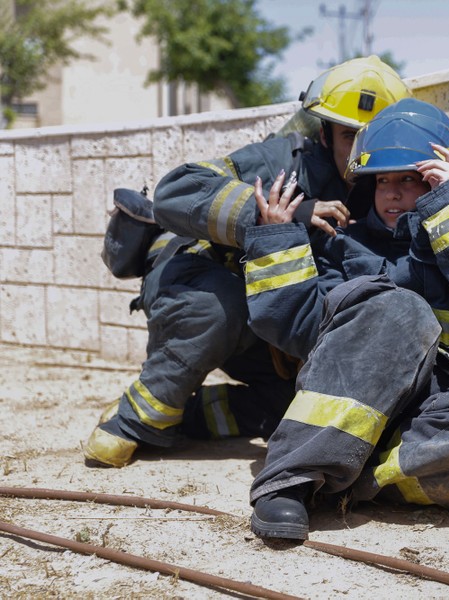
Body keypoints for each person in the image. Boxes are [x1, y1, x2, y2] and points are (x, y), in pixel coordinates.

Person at [239, 98, 449, 540]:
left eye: (410, 179)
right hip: (355, 389)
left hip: (447, 402)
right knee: (401, 308)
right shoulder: (345, 243)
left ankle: (354, 478)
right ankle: (291, 480)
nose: (392, 192)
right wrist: (277, 239)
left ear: (443, 176)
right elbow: (297, 332)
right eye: (382, 180)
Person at [83, 56, 411, 468]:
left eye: (373, 140)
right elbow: (175, 191)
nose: (360, 154)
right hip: (194, 280)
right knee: (222, 307)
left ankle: (185, 413)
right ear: (325, 134)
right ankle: (131, 423)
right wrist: (283, 214)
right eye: (349, 137)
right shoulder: (283, 161)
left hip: (266, 311)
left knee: (291, 406)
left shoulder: (383, 188)